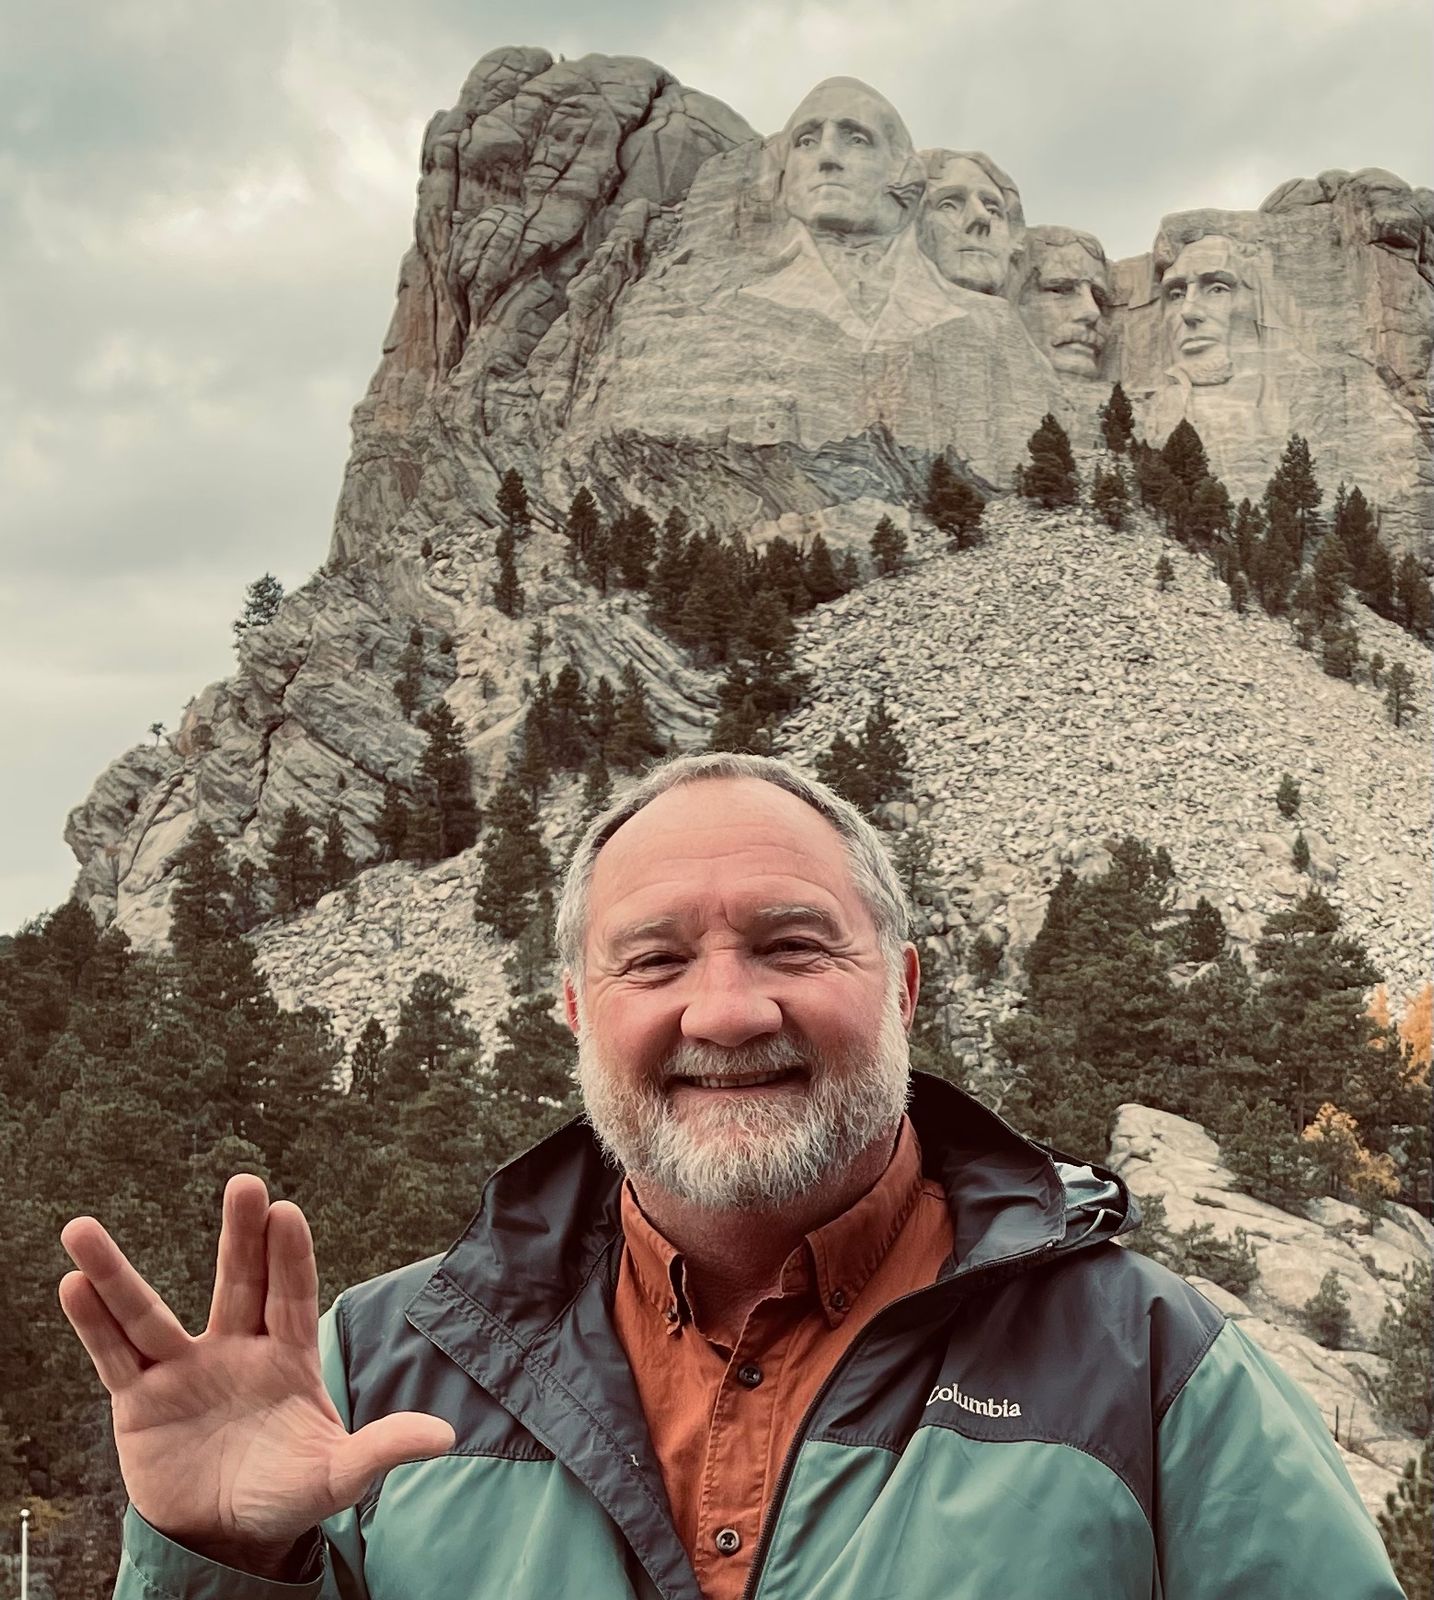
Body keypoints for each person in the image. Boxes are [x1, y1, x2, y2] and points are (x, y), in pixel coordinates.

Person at [61, 752, 1403, 1598]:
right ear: (575, 1012)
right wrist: (223, 1561)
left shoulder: (1150, 1365)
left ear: (903, 986)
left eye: (792, 945)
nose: (725, 1010)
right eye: (654, 961)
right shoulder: (375, 1366)